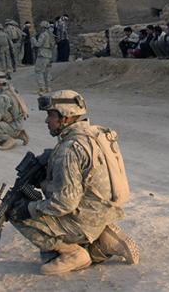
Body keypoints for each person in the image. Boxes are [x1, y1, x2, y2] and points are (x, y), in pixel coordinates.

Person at [9, 90, 138, 275]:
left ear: (66, 117)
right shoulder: (95, 133)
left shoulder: (68, 150)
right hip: (104, 209)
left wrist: (29, 208)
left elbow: (65, 203)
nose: (47, 121)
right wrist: (44, 179)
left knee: (17, 214)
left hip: (85, 218)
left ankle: (74, 254)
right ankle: (104, 240)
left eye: (51, 115)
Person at [33, 20, 56, 95]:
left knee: (38, 71)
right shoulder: (51, 35)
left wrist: (33, 39)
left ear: (43, 27)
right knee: (47, 72)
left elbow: (38, 44)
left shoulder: (43, 35)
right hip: (49, 54)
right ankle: (48, 87)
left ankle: (42, 88)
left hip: (42, 54)